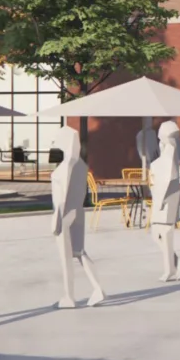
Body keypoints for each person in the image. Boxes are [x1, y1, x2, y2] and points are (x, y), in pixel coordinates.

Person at [48, 125, 106, 308]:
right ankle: (97, 288)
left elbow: (62, 197)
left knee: (66, 258)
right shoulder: (81, 164)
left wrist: (56, 218)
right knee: (80, 253)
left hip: (65, 214)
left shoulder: (67, 166)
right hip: (78, 212)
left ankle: (68, 297)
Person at [147, 120, 180, 282]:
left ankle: (170, 270)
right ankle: (177, 264)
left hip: (166, 199)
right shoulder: (167, 157)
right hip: (162, 198)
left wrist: (160, 200)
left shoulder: (169, 157)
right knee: (156, 234)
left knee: (165, 233)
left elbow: (169, 179)